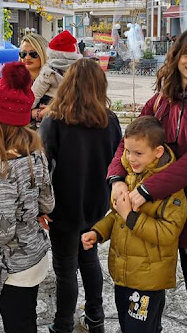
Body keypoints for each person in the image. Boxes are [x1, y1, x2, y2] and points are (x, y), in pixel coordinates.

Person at [107, 29, 187, 333]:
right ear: (176, 57)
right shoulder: (160, 101)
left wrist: (148, 189)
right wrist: (116, 178)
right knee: (149, 276)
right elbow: (128, 141)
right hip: (154, 206)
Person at [39, 58, 122, 333]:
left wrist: (40, 206)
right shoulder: (109, 120)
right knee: (89, 259)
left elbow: (43, 166)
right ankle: (95, 317)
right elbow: (117, 160)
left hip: (62, 207)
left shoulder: (54, 120)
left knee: (65, 268)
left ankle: (63, 324)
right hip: (96, 204)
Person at [83, 116, 187, 333]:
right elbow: (117, 215)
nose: (131, 158)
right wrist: (98, 232)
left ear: (158, 152)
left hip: (147, 281)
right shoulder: (131, 176)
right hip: (125, 275)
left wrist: (130, 216)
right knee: (132, 326)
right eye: (128, 151)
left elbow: (167, 233)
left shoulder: (170, 188)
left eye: (138, 153)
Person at [0, 61, 55, 333]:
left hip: (14, 267)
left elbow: (1, 232)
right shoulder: (36, 154)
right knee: (27, 319)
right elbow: (48, 203)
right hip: (35, 254)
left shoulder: (3, 170)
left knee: (18, 325)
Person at [31, 30, 82, 113]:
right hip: (72, 111)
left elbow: (34, 96)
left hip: (49, 108)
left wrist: (26, 112)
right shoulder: (80, 70)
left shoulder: (49, 71)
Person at [19, 33, 50, 123]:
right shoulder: (15, 82)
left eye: (33, 54)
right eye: (23, 54)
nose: (27, 57)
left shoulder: (55, 80)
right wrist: (35, 113)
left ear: (43, 54)